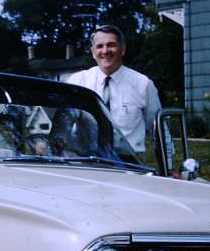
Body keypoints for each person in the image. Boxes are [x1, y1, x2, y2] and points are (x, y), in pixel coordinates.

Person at [65, 24, 162, 154]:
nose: (105, 51)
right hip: (86, 162)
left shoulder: (143, 84)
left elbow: (160, 130)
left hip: (128, 164)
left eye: (111, 45)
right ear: (93, 52)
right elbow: (63, 125)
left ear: (122, 49)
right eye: (99, 46)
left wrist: (170, 166)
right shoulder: (77, 82)